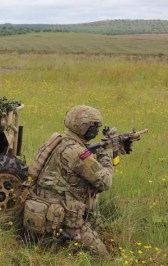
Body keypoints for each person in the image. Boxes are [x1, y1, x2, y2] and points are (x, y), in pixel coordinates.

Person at [22, 105, 130, 257]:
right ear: (84, 127)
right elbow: (105, 181)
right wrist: (107, 153)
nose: (97, 130)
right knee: (103, 257)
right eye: (95, 126)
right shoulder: (78, 153)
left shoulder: (57, 140)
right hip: (64, 219)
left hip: (39, 211)